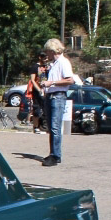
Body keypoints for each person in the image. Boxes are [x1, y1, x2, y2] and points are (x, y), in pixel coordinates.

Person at [40, 38, 75, 166]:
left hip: (58, 96)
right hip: (51, 95)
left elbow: (70, 80)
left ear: (52, 50)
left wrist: (51, 82)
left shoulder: (63, 62)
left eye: (47, 51)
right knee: (51, 126)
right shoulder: (54, 63)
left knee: (55, 127)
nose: (46, 54)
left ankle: (55, 155)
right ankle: (53, 153)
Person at [28, 52, 47, 133]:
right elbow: (32, 80)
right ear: (40, 57)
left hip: (46, 90)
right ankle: (35, 127)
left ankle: (44, 126)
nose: (46, 59)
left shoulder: (48, 66)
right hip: (37, 91)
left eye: (47, 58)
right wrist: (39, 89)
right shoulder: (35, 67)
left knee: (46, 109)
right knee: (37, 109)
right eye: (44, 58)